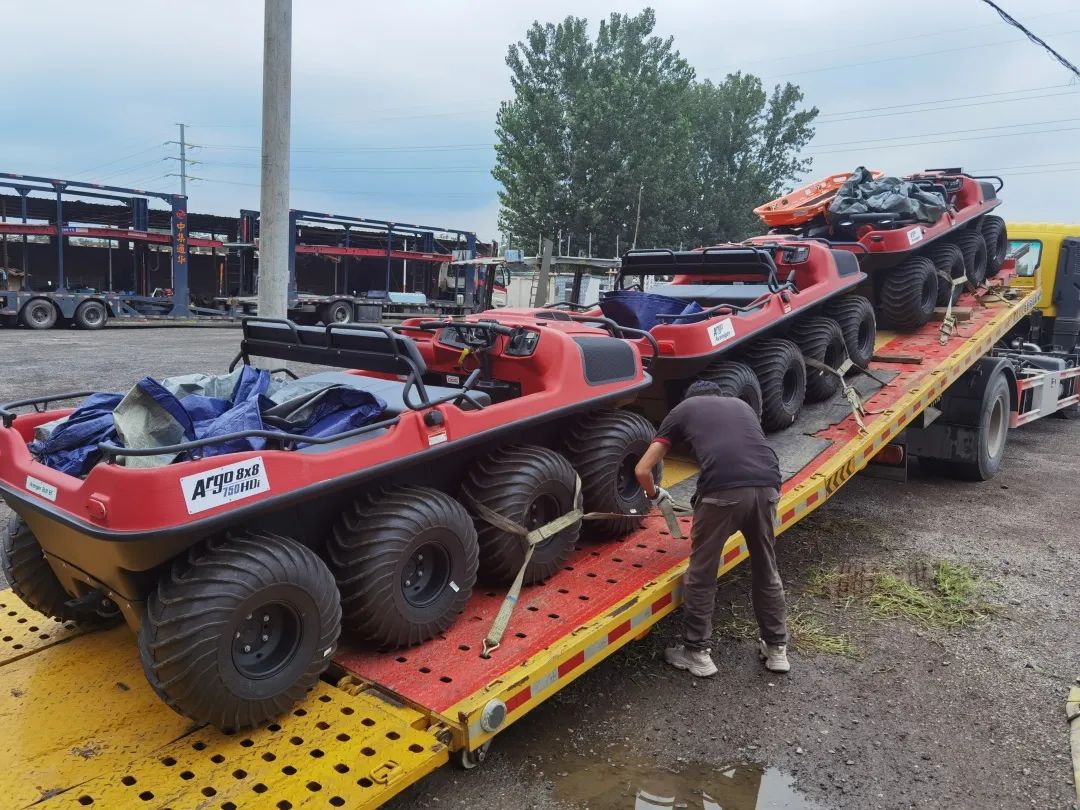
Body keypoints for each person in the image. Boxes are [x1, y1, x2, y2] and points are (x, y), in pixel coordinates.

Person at [634, 379, 789, 677]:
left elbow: (642, 469)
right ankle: (777, 648)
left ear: (690, 397)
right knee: (766, 568)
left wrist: (654, 494)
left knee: (702, 574)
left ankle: (697, 653)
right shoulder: (742, 406)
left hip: (722, 494)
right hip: (768, 487)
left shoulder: (684, 408)